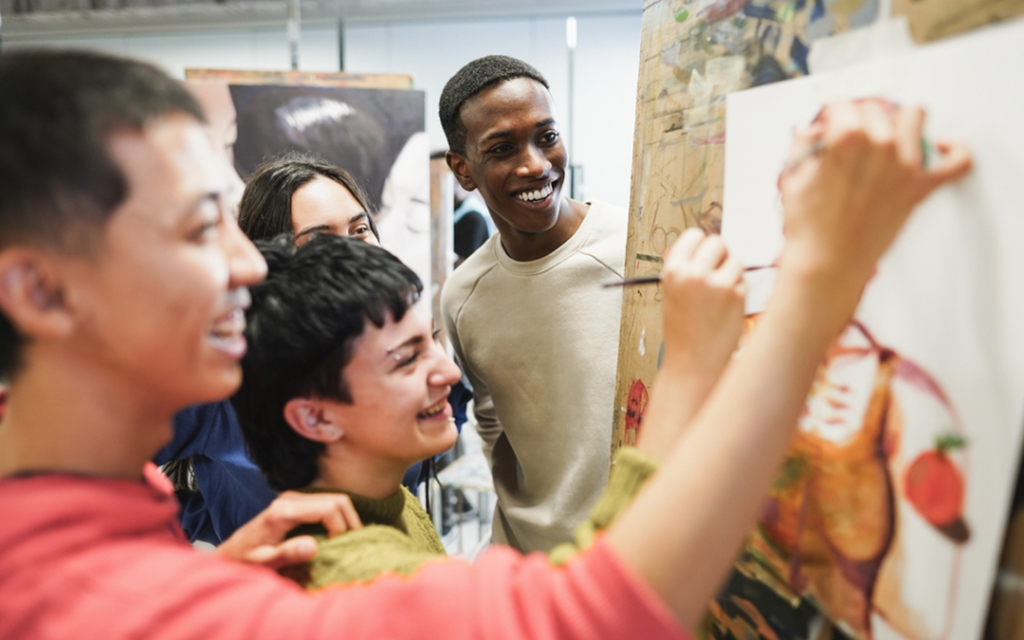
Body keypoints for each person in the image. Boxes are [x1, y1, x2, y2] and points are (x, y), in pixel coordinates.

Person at [0, 49, 970, 639]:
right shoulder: (115, 594)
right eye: (195, 226)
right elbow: (589, 623)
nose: (249, 268)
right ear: (40, 286)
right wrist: (819, 277)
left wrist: (201, 570)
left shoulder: (128, 523)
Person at [232, 232, 735, 587]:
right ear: (315, 417)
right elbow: (597, 606)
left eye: (431, 341)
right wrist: (689, 363)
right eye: (406, 359)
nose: (449, 375)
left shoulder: (387, 498)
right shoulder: (355, 571)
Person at [438, 55, 633, 552]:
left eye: (546, 137)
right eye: (502, 148)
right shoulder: (464, 295)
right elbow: (492, 418)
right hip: (530, 562)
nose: (536, 165)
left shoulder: (637, 247)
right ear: (463, 169)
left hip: (643, 556)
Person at [155, 154, 388, 545]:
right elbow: (85, 469)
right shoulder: (227, 375)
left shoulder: (398, 352)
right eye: (318, 240)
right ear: (268, 260)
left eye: (359, 229)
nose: (353, 253)